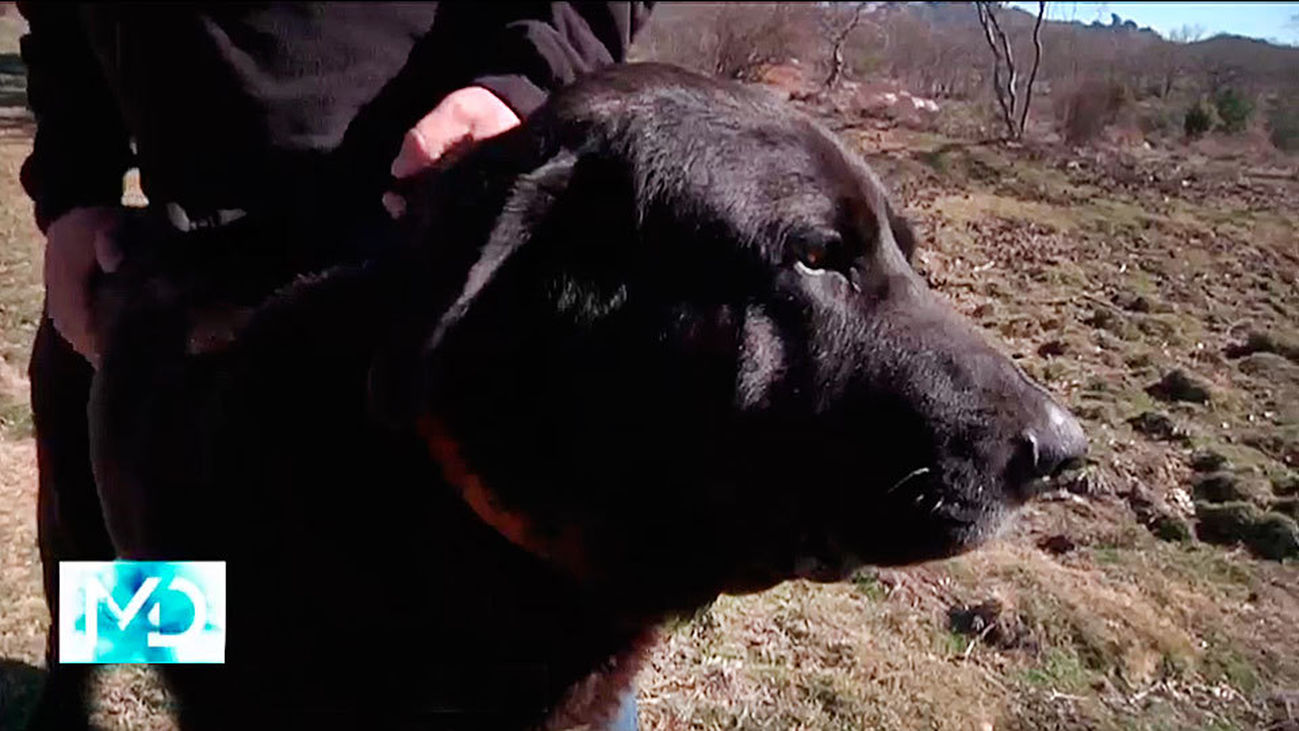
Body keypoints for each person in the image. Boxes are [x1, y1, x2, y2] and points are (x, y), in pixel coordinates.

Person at [19, 4, 651, 729]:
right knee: (182, 610)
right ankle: (79, 687)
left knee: (484, 670)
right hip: (194, 265)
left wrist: (523, 81)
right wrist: (75, 183)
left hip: (431, 258)